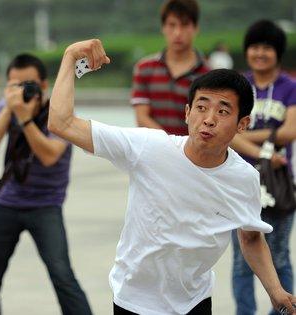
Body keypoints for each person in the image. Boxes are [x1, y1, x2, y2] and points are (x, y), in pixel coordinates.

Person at [48, 39, 296, 315]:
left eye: (223, 111)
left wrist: (275, 291)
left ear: (243, 124)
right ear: (187, 112)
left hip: (195, 302)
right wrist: (70, 57)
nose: (209, 119)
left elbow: (250, 237)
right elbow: (61, 123)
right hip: (134, 301)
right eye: (201, 107)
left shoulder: (244, 177)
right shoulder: (148, 147)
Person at [0, 54, 92, 315]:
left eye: (28, 85)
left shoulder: (60, 114)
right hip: (7, 202)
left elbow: (49, 155)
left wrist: (26, 120)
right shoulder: (6, 107)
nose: (21, 91)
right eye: (13, 85)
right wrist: (8, 109)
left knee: (62, 276)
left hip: (46, 205)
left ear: (45, 86)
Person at [230, 20, 296, 315]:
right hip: (240, 184)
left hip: (279, 185)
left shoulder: (290, 87)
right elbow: (228, 134)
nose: (260, 53)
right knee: (242, 261)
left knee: (280, 256)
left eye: (267, 47)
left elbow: (290, 132)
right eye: (255, 47)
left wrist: (246, 136)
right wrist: (263, 149)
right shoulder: (238, 87)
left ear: (277, 53)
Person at [132, 0, 209, 136]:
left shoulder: (208, 74)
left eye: (185, 25)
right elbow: (142, 118)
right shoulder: (144, 68)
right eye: (172, 25)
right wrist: (171, 146)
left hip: (191, 154)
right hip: (152, 150)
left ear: (196, 28)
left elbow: (207, 121)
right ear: (163, 28)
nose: (177, 32)